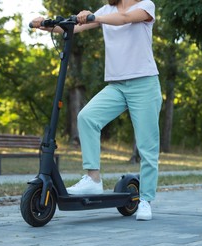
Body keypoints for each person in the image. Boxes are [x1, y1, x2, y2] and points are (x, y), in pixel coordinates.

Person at [31, 0, 162, 221]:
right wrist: (47, 25)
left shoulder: (146, 5)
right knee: (87, 117)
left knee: (147, 147)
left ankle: (146, 200)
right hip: (117, 85)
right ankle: (93, 179)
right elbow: (75, 26)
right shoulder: (106, 10)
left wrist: (95, 17)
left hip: (144, 83)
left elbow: (125, 19)